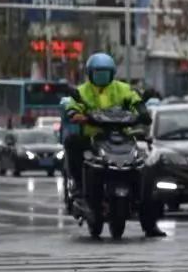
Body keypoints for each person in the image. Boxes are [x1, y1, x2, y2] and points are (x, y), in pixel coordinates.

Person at [64, 52, 166, 238]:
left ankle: (150, 224)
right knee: (72, 143)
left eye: (105, 73)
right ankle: (79, 188)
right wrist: (77, 115)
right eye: (98, 73)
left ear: (112, 74)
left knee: (146, 171)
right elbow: (73, 107)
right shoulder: (82, 91)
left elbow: (135, 101)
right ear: (90, 74)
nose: (102, 77)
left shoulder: (122, 89)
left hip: (122, 137)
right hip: (94, 138)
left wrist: (142, 112)